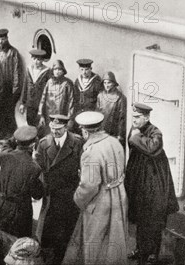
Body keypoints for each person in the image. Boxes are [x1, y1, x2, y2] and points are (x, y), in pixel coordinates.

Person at [63, 111, 128, 265]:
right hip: (119, 195)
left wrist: (78, 199)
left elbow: (89, 186)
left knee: (96, 244)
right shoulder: (114, 142)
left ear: (85, 131)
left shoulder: (91, 152)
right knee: (115, 240)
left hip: (101, 202)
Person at [125, 103, 178, 265]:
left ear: (146, 118)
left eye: (138, 117)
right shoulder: (136, 130)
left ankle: (152, 253)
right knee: (141, 218)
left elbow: (152, 149)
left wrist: (135, 137)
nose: (134, 120)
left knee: (153, 219)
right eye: (133, 117)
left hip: (154, 184)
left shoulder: (155, 132)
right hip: (140, 182)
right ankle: (141, 249)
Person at [34, 115, 83, 265]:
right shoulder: (43, 144)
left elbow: (83, 165)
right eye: (52, 129)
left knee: (66, 231)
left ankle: (61, 257)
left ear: (66, 127)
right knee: (48, 231)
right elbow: (38, 168)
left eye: (58, 129)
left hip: (70, 193)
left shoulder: (77, 142)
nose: (54, 132)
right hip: (51, 194)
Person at [0, 126, 44, 238]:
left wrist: (17, 136)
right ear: (33, 145)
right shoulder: (34, 167)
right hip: (20, 212)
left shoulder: (5, 155)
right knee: (17, 242)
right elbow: (37, 195)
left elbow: (7, 144)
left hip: (0, 205)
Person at [0, 28, 23, 138]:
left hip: (8, 87)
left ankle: (10, 134)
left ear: (6, 38)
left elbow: (16, 71)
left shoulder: (13, 52)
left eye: (2, 39)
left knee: (9, 111)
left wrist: (16, 89)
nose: (0, 41)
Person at [38, 60, 75, 134]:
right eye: (55, 69)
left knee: (61, 133)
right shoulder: (49, 82)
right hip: (49, 115)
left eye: (59, 69)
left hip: (62, 115)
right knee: (50, 133)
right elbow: (43, 98)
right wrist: (41, 115)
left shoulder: (67, 83)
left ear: (63, 71)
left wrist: (70, 118)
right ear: (52, 71)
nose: (57, 71)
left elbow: (72, 101)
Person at [20, 49, 51, 129]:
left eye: (39, 59)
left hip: (40, 103)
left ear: (42, 60)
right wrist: (23, 103)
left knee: (40, 125)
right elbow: (25, 86)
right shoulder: (29, 69)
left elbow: (49, 90)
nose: (37, 61)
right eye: (35, 59)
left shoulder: (47, 71)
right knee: (30, 123)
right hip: (30, 103)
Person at [96, 71, 126, 147]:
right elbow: (97, 114)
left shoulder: (120, 97)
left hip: (113, 131)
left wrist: (120, 135)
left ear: (113, 83)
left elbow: (122, 118)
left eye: (109, 83)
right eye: (105, 83)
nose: (106, 85)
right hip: (101, 130)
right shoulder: (100, 96)